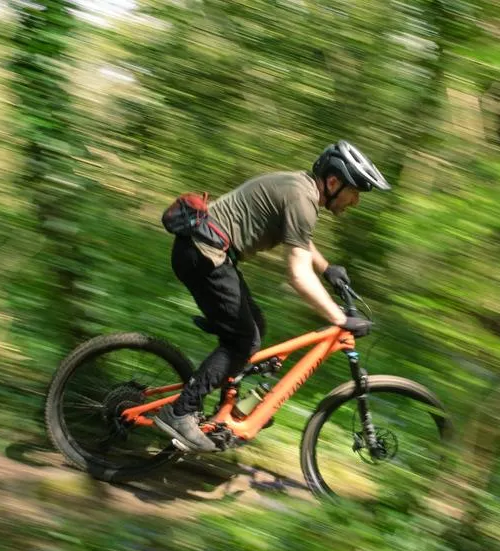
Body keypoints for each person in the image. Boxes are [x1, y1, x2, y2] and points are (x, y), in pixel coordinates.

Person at [153, 141, 389, 452]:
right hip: (203, 255)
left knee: (255, 328)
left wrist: (327, 267)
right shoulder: (302, 199)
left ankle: (224, 413)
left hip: (205, 253)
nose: (356, 200)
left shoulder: (299, 189)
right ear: (333, 182)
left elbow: (299, 239)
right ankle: (180, 412)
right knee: (244, 341)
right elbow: (298, 276)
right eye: (355, 191)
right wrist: (340, 318)